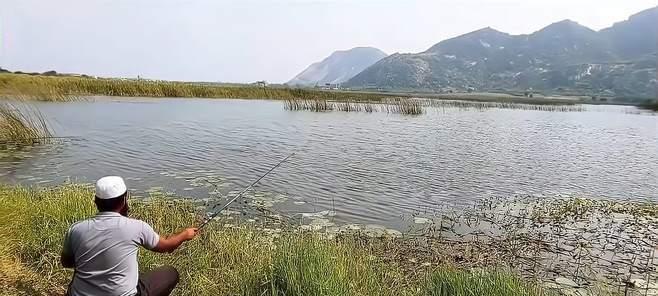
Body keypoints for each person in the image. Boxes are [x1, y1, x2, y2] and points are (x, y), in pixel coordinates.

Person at [61, 176, 199, 296]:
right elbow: (166, 246)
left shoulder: (76, 229)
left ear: (96, 202)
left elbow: (66, 263)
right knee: (170, 273)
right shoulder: (137, 227)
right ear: (124, 201)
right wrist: (185, 234)